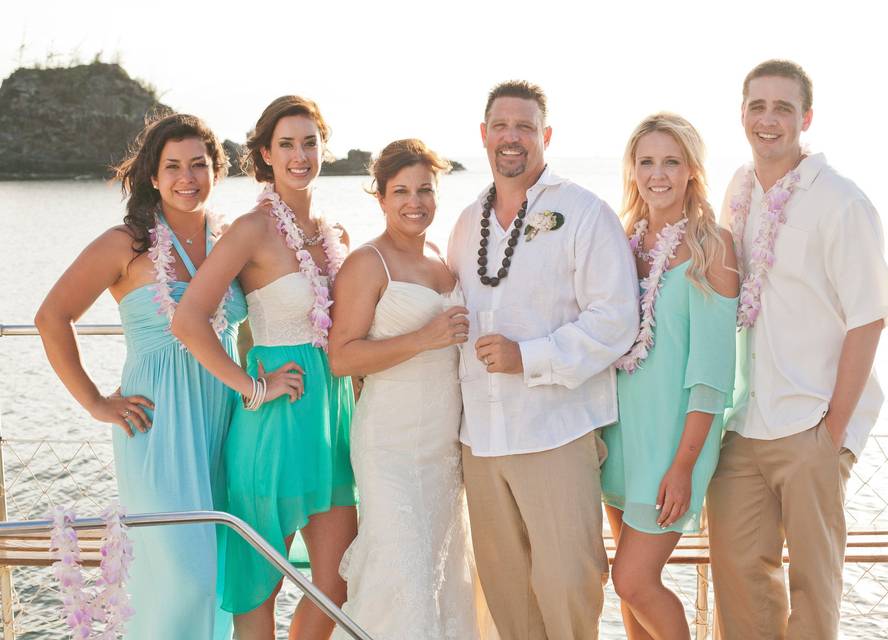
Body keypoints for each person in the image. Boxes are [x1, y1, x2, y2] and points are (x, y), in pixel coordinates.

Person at [706, 59, 888, 639]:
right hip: (741, 426)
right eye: (757, 107)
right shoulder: (737, 189)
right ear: (742, 114)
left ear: (805, 118)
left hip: (811, 424)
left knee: (814, 592)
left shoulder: (841, 202)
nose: (768, 120)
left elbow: (869, 318)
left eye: (783, 108)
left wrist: (831, 432)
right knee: (738, 583)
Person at [35, 113, 243, 640]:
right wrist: (94, 402)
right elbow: (52, 316)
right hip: (156, 429)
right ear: (153, 175)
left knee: (220, 578)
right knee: (183, 578)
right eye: (172, 166)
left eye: (199, 164)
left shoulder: (231, 243)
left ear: (217, 170)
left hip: (224, 423)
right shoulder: (126, 243)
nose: (187, 177)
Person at [447, 80, 640, 640]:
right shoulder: (465, 221)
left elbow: (615, 321)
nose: (512, 138)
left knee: (569, 590)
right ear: (483, 136)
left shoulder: (584, 213)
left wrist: (527, 357)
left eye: (525, 127)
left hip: (555, 434)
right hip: (479, 442)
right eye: (501, 127)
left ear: (546, 136)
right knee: (508, 600)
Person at [172, 96, 357, 640]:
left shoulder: (336, 234)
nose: (300, 155)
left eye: (309, 142)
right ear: (265, 154)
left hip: (333, 419)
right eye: (286, 144)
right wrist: (252, 386)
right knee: (259, 585)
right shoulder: (252, 230)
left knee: (336, 582)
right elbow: (188, 320)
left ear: (323, 148)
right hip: (275, 418)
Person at [328, 138, 491, 639]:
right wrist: (424, 338)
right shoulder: (367, 263)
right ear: (380, 197)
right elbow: (341, 358)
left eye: (425, 190)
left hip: (443, 448)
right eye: (401, 191)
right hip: (390, 447)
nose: (414, 202)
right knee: (405, 578)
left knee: (444, 579)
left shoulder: (443, 259)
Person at [600, 113, 738, 639]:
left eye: (671, 161)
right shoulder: (622, 243)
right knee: (626, 587)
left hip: (674, 441)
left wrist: (683, 466)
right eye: (647, 161)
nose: (658, 173)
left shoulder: (713, 248)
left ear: (691, 171)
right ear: (632, 170)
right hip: (619, 436)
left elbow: (711, 375)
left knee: (634, 580)